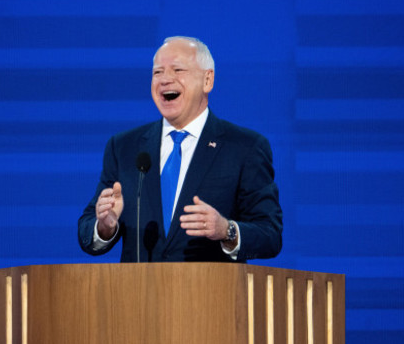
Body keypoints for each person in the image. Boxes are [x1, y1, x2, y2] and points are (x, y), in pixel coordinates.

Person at [78, 36, 282, 263]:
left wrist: (227, 230)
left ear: (207, 80)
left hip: (212, 294)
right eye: (157, 72)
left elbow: (270, 234)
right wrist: (105, 227)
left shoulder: (245, 147)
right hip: (137, 294)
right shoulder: (124, 147)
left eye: (177, 70)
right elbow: (88, 229)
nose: (165, 79)